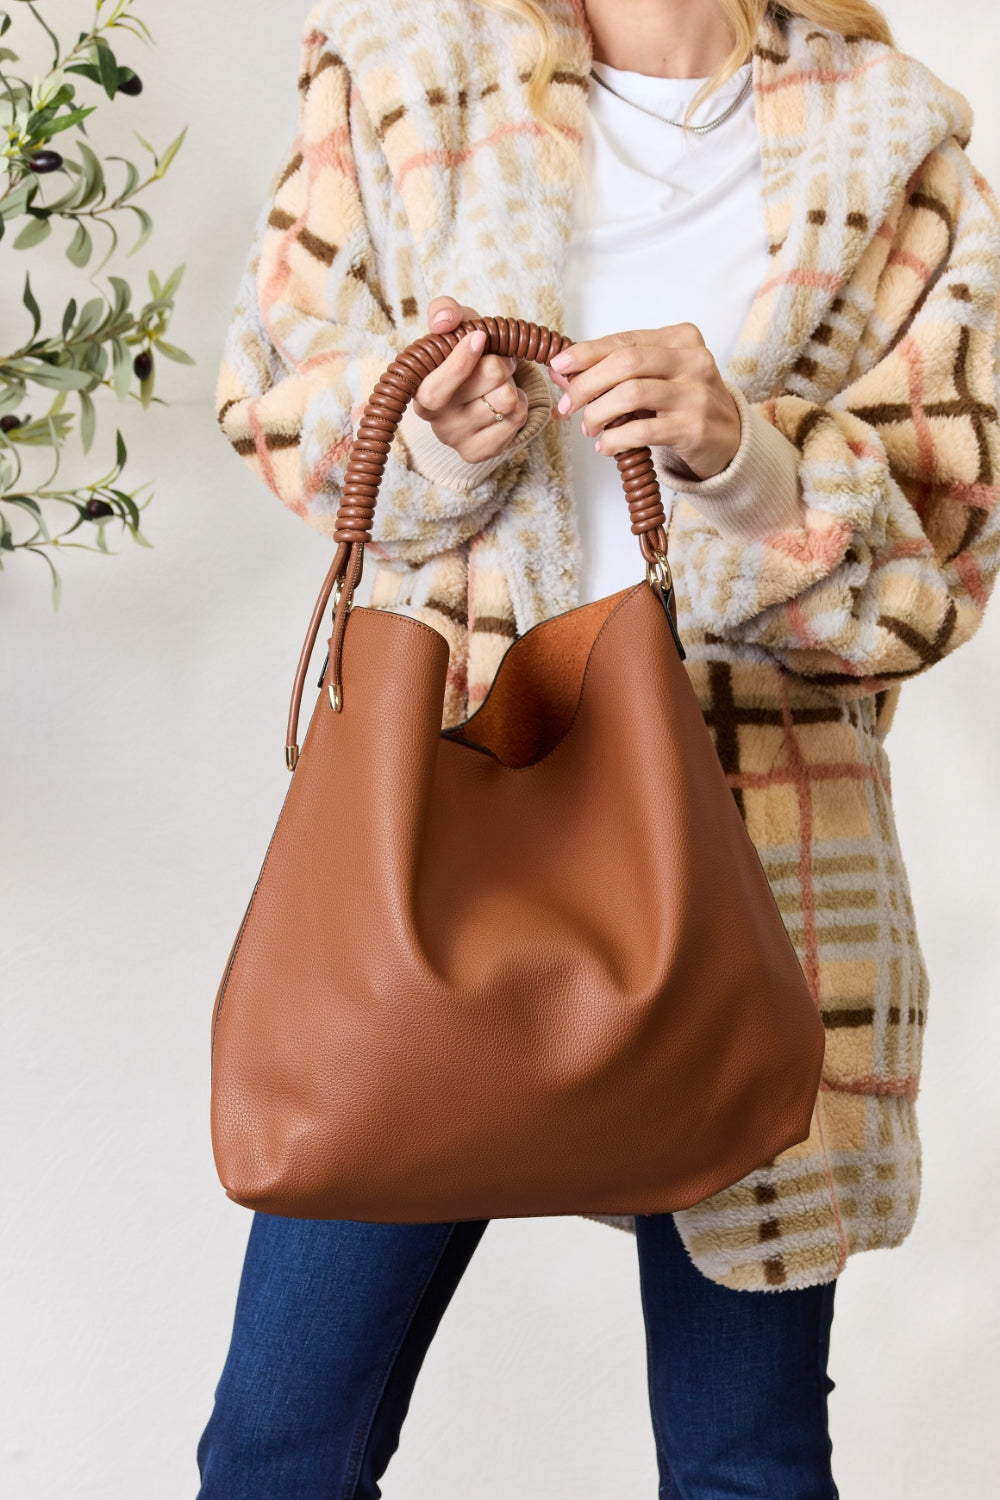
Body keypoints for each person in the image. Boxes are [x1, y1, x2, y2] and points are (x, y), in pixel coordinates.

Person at [200, 0, 1000, 1494]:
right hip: (429, 856)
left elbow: (937, 567)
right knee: (277, 1449)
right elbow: (273, 389)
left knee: (744, 1464)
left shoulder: (896, 135)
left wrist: (748, 459)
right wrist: (425, 438)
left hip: (760, 868)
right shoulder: (401, 67)